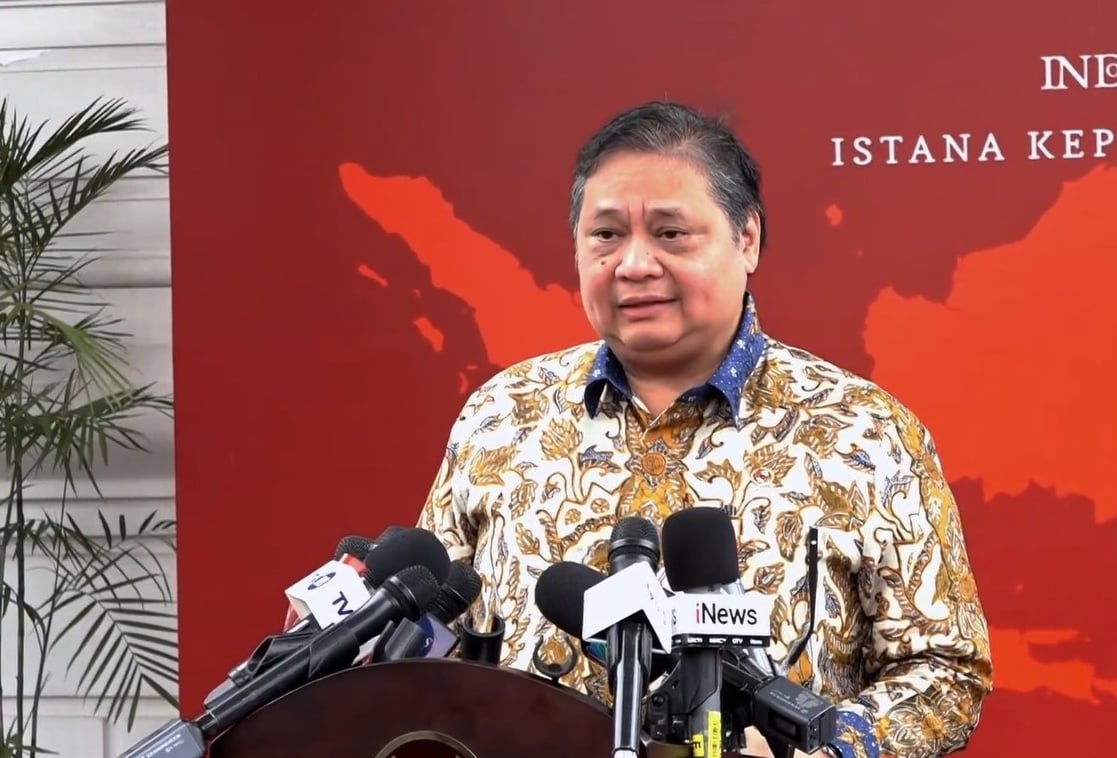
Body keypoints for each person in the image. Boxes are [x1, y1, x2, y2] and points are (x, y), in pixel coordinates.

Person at [417, 100, 992, 758]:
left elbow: (946, 673)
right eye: (605, 235)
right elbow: (434, 632)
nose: (634, 264)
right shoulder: (501, 412)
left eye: (670, 233)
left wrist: (825, 747)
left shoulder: (862, 431)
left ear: (746, 239)